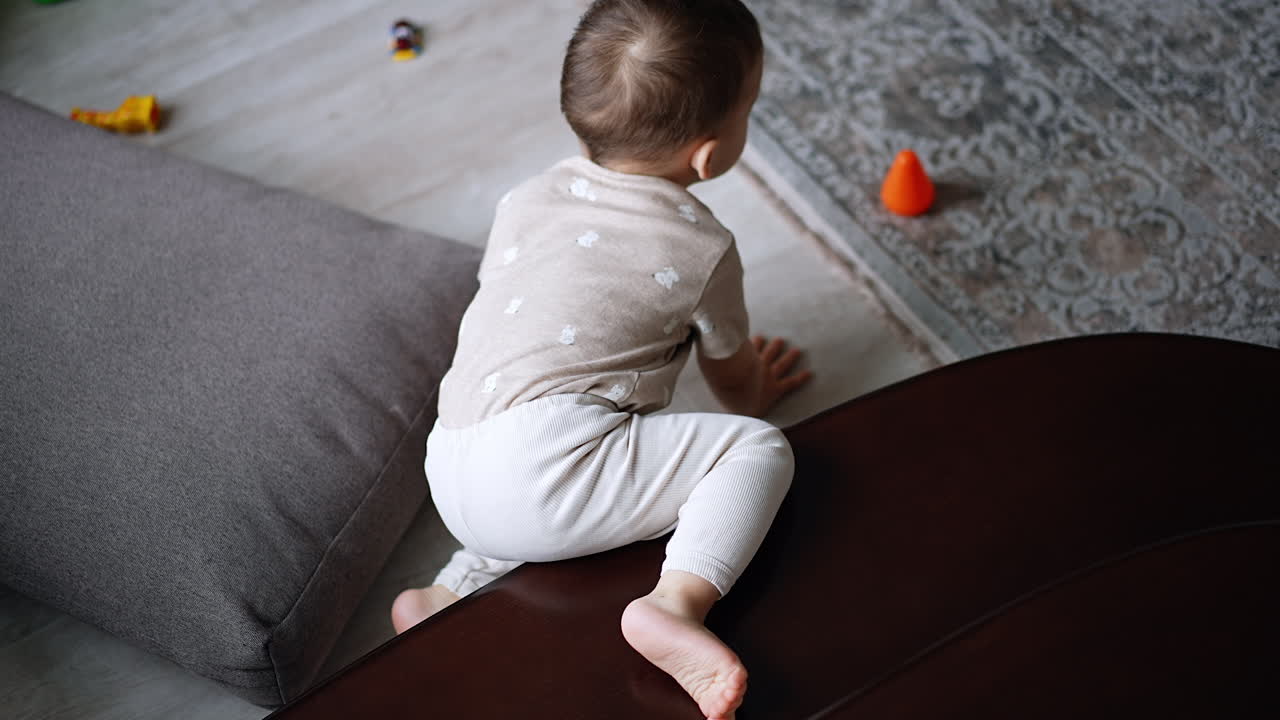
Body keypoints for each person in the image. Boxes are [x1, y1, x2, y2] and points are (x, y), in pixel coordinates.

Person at [391, 1, 811, 717]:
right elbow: (736, 388)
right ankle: (675, 605)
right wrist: (756, 392)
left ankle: (449, 592)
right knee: (756, 450)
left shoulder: (523, 200)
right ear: (709, 154)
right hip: (540, 463)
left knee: (537, 499)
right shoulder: (702, 248)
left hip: (452, 455)